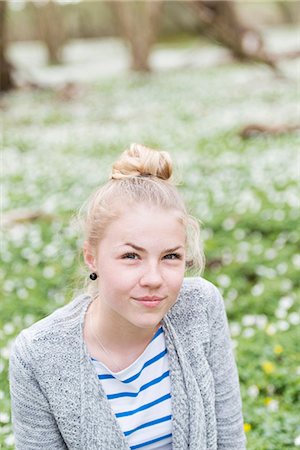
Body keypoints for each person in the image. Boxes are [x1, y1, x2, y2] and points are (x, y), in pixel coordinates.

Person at [9, 144, 246, 450]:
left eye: (170, 256)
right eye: (131, 256)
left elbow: (229, 438)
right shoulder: (38, 355)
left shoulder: (200, 306)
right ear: (92, 257)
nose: (153, 279)